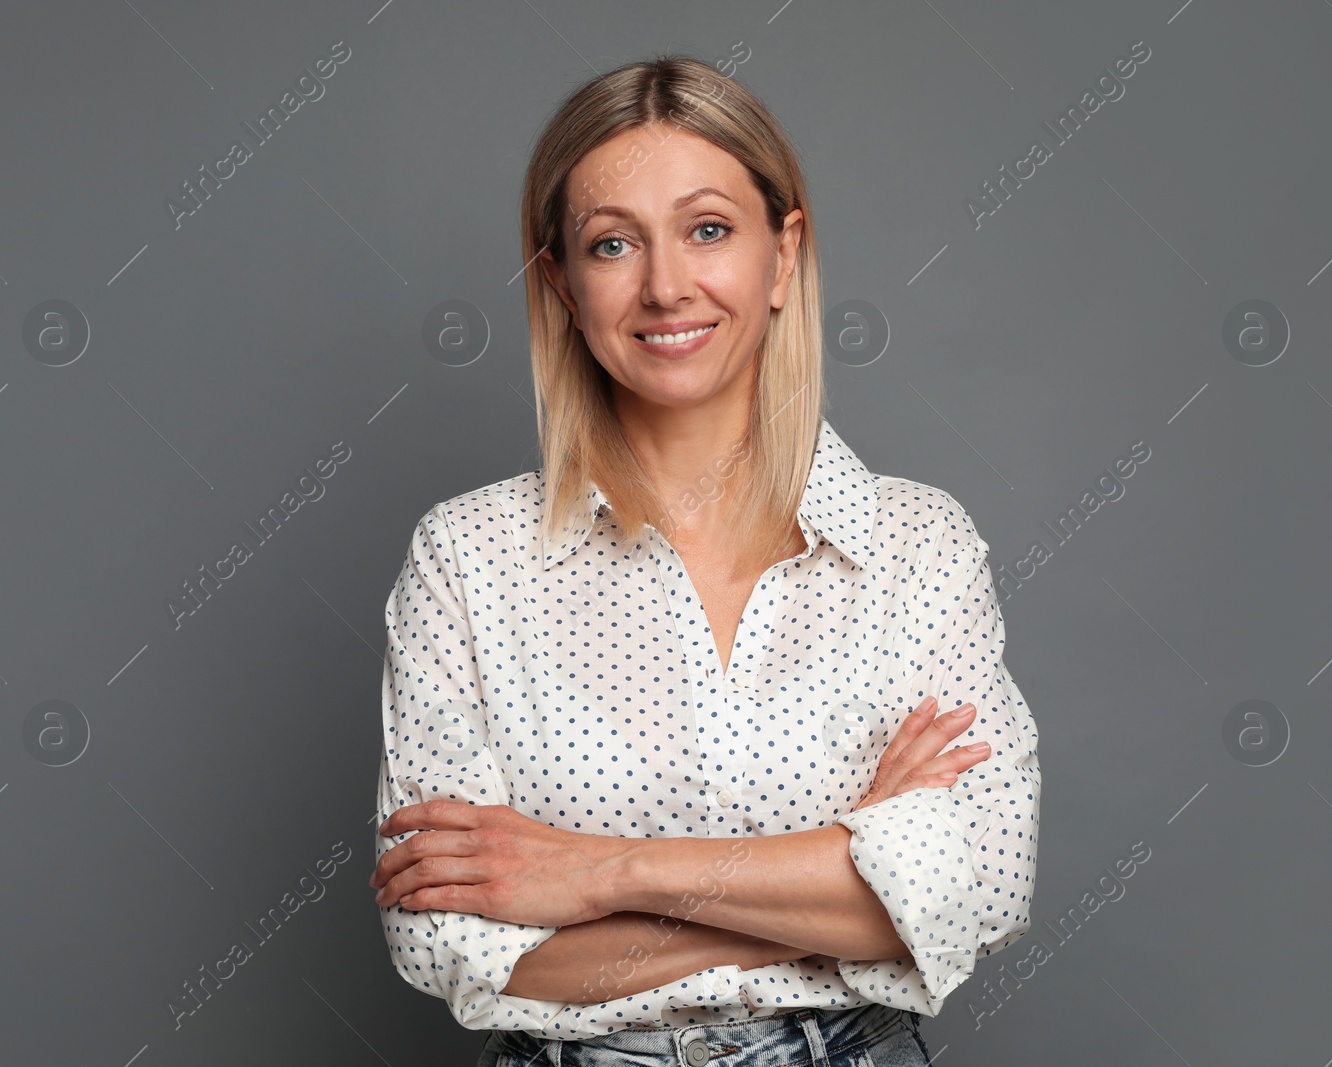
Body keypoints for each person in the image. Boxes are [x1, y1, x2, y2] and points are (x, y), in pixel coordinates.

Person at [368, 53, 1040, 1067]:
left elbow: (977, 889)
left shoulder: (919, 546)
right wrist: (846, 882)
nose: (665, 284)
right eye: (610, 244)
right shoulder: (467, 557)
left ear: (782, 255)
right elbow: (451, 942)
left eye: (709, 228)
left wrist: (595, 873)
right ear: (560, 282)